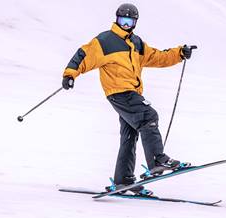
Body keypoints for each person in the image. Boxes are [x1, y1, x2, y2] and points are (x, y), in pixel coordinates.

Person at [62, 3, 194, 195]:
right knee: (148, 116)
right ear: (116, 19)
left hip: (131, 93)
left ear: (135, 23)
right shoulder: (105, 41)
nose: (125, 25)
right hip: (119, 92)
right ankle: (158, 159)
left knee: (130, 133)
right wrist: (70, 74)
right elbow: (84, 55)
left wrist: (179, 53)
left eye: (129, 21)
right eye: (122, 20)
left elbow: (157, 57)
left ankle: (123, 179)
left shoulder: (137, 43)